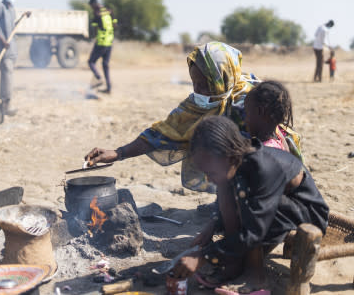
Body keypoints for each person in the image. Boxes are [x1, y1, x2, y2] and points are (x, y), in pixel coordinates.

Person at [85, 42, 303, 194]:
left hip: (270, 173)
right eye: (194, 82)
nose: (197, 89)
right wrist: (118, 153)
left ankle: (239, 200)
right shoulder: (199, 103)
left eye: (204, 84)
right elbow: (165, 131)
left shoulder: (251, 103)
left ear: (222, 78)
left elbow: (269, 152)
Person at [172, 116, 329, 294]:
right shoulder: (236, 159)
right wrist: (213, 223)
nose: (208, 178)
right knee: (225, 187)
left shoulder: (264, 168)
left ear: (229, 156)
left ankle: (257, 278)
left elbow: (254, 230)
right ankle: (235, 264)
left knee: (245, 203)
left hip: (306, 213)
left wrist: (205, 255)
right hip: (270, 209)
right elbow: (229, 202)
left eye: (211, 172)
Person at [244, 81, 302, 159]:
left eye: (247, 113)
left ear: (260, 111)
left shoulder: (263, 153)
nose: (245, 119)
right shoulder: (280, 137)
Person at [88, 0, 118, 94]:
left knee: (91, 62)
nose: (92, 8)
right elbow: (115, 25)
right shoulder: (109, 11)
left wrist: (96, 37)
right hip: (109, 42)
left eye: (91, 6)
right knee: (105, 64)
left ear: (93, 4)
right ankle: (109, 88)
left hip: (101, 42)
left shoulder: (96, 14)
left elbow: (94, 29)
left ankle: (98, 78)